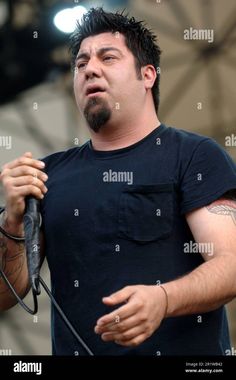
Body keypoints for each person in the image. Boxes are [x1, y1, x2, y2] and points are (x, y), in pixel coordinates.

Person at [0, 7, 236, 356]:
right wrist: (12, 221)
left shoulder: (193, 155)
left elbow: (230, 263)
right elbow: (7, 296)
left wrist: (163, 298)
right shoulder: (48, 174)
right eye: (80, 64)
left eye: (108, 57)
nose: (89, 69)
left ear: (148, 75)